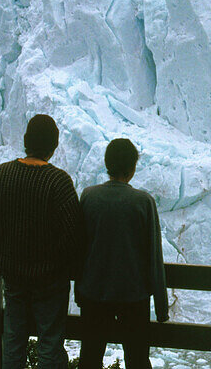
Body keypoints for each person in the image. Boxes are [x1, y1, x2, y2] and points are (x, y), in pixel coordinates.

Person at [0, 114, 83, 369]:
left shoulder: (4, 173)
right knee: (49, 345)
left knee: (13, 343)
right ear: (54, 145)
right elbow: (73, 234)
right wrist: (53, 262)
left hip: (13, 275)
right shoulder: (59, 182)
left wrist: (4, 252)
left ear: (26, 141)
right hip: (50, 281)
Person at [76, 138, 168, 369]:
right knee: (137, 359)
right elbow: (154, 257)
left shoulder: (88, 196)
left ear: (107, 164)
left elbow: (78, 249)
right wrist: (161, 307)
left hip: (94, 293)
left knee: (90, 358)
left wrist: (79, 290)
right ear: (133, 168)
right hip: (133, 297)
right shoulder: (143, 201)